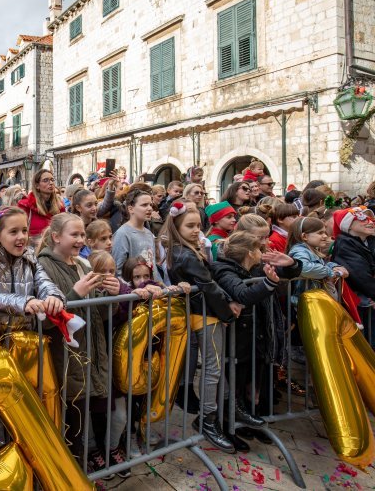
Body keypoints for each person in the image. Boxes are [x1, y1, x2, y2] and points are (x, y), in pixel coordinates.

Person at [36, 213, 114, 471]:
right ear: (56, 237)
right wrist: (75, 294)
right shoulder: (43, 267)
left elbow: (100, 315)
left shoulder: (83, 264)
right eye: (75, 235)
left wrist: (109, 297)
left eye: (82, 234)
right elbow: (46, 319)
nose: (81, 240)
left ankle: (81, 470)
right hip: (66, 356)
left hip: (91, 351)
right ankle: (68, 475)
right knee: (71, 422)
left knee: (86, 417)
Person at [163, 205, 241, 453]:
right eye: (190, 226)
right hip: (204, 314)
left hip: (205, 312)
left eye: (198, 225)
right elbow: (208, 286)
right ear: (176, 227)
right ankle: (208, 420)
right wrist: (228, 311)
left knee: (214, 366)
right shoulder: (184, 254)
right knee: (212, 368)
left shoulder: (187, 249)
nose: (197, 230)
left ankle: (215, 414)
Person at [212, 232, 300, 450]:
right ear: (250, 252)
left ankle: (245, 424)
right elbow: (242, 294)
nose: (264, 251)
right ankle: (227, 428)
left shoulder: (256, 267)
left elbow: (286, 273)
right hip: (237, 339)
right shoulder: (224, 268)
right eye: (259, 249)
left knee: (253, 386)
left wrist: (291, 264)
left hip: (258, 335)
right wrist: (269, 283)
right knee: (235, 387)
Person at [0, 206, 65, 336]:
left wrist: (53, 296)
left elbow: (43, 281)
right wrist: (23, 302)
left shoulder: (29, 255)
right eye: (13, 232)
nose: (21, 237)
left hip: (25, 337)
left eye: (24, 230)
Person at [288, 216, 347, 303]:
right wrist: (330, 273)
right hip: (308, 305)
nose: (325, 236)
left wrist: (334, 266)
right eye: (320, 233)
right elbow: (303, 267)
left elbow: (321, 264)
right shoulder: (300, 250)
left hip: (316, 302)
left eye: (325, 232)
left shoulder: (311, 249)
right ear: (304, 236)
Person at [330, 207, 375, 320]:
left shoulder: (370, 240)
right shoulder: (345, 245)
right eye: (363, 218)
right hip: (361, 305)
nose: (369, 222)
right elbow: (362, 277)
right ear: (348, 224)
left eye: (371, 218)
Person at [111, 189, 161, 281]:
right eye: (144, 205)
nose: (150, 208)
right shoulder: (122, 234)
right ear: (131, 209)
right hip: (134, 293)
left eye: (150, 204)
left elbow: (153, 267)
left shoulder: (149, 233)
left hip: (152, 290)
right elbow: (118, 270)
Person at [17, 169, 65, 248]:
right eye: (45, 180)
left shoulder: (60, 206)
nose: (51, 183)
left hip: (55, 250)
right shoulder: (25, 206)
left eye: (52, 180)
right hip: (33, 251)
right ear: (37, 185)